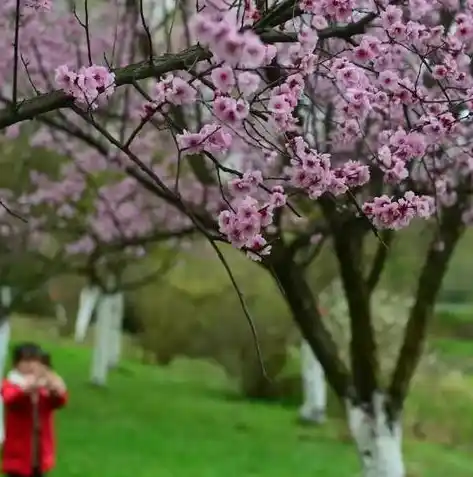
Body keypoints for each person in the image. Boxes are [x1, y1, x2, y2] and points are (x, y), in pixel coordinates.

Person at [1, 343, 68, 477]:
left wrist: (55, 388)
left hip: (39, 452)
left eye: (36, 361)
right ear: (16, 364)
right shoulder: (10, 383)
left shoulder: (44, 386)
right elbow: (11, 398)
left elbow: (59, 402)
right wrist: (30, 387)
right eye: (26, 361)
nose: (31, 365)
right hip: (18, 454)